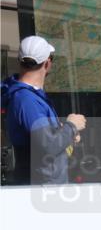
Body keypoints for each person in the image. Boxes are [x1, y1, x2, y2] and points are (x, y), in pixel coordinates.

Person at [1, 36, 87, 185]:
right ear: (47, 63)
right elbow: (48, 146)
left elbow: (43, 139)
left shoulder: (28, 97)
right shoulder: (27, 100)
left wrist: (66, 133)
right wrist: (71, 126)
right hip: (43, 189)